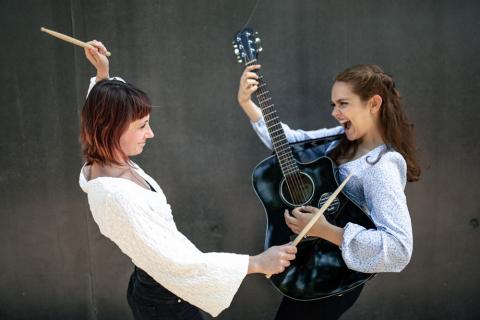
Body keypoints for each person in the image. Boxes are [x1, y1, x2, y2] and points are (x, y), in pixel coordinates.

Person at [78, 41, 297, 320]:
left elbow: (96, 111)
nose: (151, 133)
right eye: (142, 126)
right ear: (110, 129)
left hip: (158, 290)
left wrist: (102, 74)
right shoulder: (115, 196)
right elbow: (179, 263)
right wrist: (255, 263)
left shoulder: (103, 154)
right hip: (166, 301)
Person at [237, 64, 421, 319]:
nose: (335, 113)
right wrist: (247, 103)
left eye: (343, 104)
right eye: (333, 105)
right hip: (310, 264)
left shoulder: (382, 166)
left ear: (374, 103)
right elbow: (288, 143)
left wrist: (323, 230)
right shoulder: (342, 138)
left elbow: (399, 248)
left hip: (336, 278)